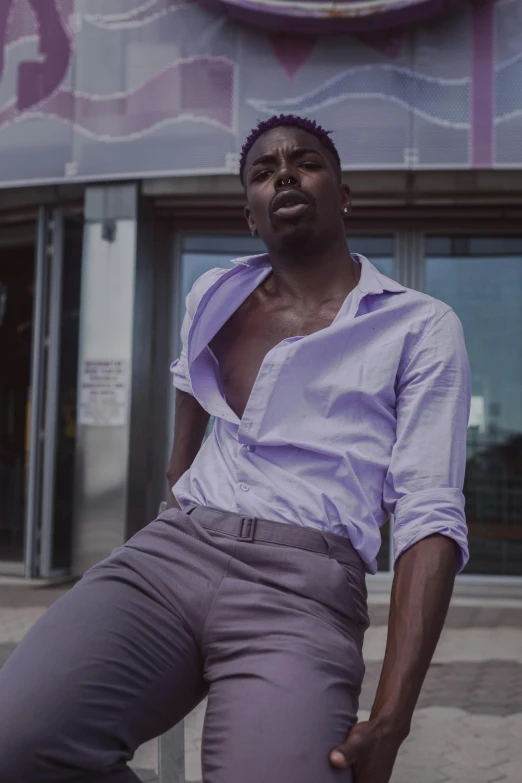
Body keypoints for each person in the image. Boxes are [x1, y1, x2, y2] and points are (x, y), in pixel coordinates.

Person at [0, 115, 471, 783]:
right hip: (172, 558)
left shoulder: (420, 326)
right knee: (16, 744)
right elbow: (186, 393)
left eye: (304, 161)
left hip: (301, 587)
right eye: (261, 170)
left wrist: (390, 718)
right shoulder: (213, 294)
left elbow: (429, 517)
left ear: (343, 195)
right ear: (251, 215)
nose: (283, 172)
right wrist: (180, 480)